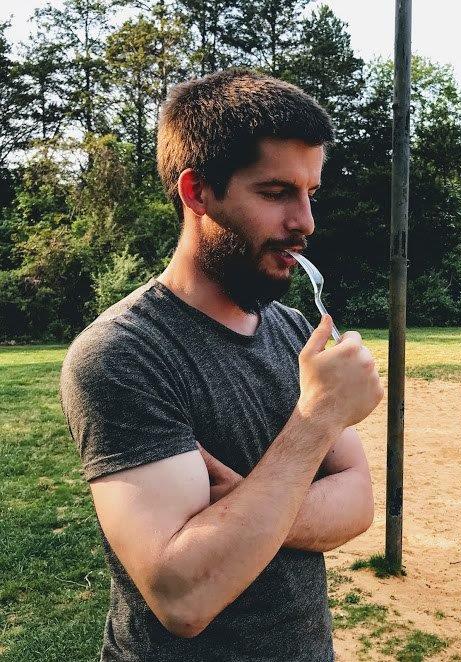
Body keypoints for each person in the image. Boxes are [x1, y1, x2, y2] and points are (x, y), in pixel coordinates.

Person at [59, 69, 384, 662]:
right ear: (197, 192)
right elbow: (183, 596)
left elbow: (359, 503)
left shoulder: (294, 333)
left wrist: (244, 502)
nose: (305, 222)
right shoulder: (123, 353)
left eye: (311, 193)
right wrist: (315, 422)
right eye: (276, 193)